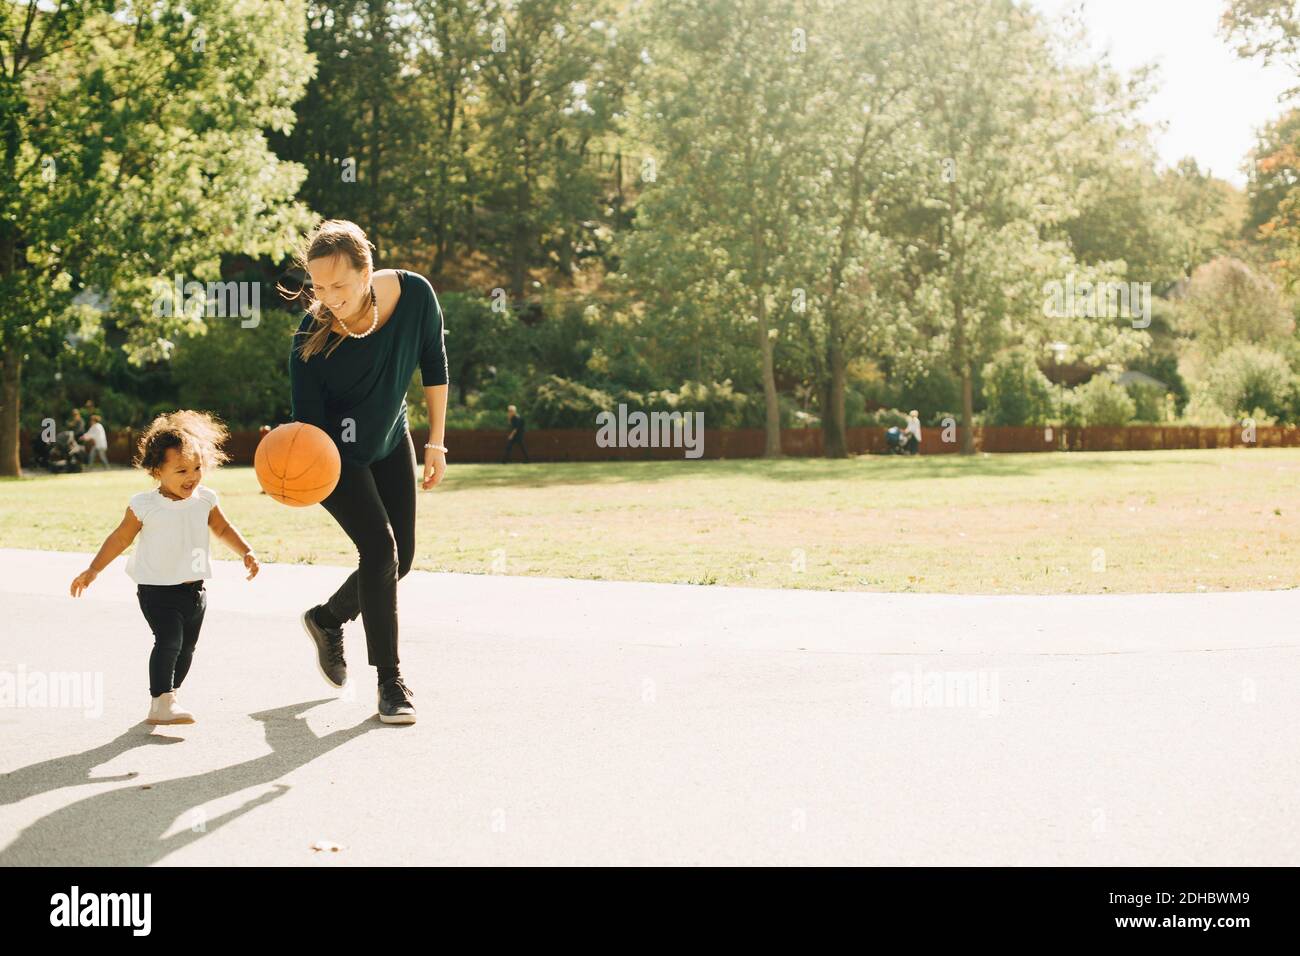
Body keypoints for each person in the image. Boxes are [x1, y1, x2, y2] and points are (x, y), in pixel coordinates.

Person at [284, 218, 449, 725]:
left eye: (338, 284)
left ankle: (326, 618)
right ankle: (390, 681)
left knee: (401, 560)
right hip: (335, 456)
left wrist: (436, 442)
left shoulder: (416, 295)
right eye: (318, 286)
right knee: (379, 551)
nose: (327, 297)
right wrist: (291, 470)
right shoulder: (310, 339)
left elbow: (434, 361)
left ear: (367, 270)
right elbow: (310, 431)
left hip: (389, 438)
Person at [69, 410, 259, 725]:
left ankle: (169, 696)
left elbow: (223, 529)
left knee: (187, 648)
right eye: (181, 469)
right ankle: (160, 701)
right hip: (156, 590)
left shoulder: (205, 500)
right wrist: (93, 570)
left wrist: (246, 551)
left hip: (195, 590)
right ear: (158, 471)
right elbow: (119, 539)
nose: (192, 476)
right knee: (169, 640)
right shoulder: (145, 505)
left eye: (198, 468)